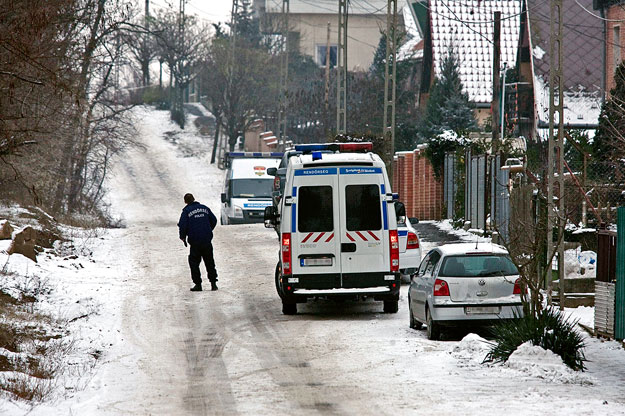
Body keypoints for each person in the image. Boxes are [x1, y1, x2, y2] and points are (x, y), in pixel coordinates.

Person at [177, 193, 218, 292]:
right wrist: (208, 230)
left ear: (185, 201)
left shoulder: (186, 211)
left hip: (195, 242)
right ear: (194, 199)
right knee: (209, 261)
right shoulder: (204, 208)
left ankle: (198, 284)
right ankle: (213, 284)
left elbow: (182, 225)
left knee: (194, 262)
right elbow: (214, 220)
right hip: (206, 240)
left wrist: (182, 236)